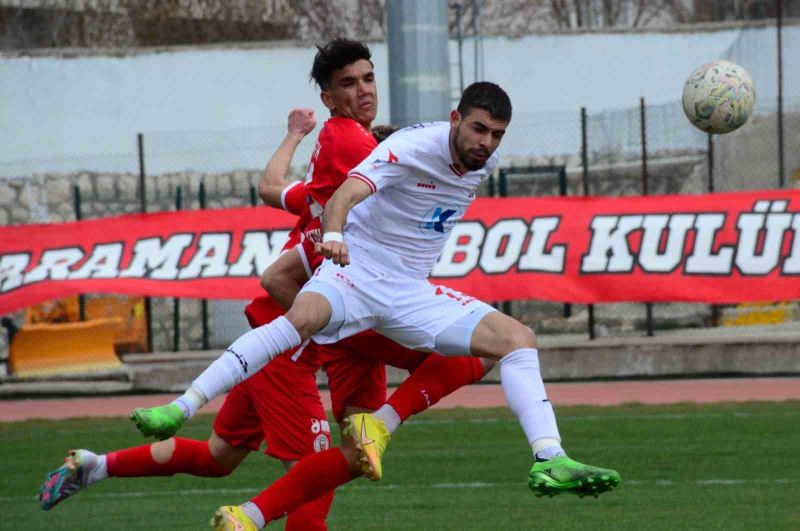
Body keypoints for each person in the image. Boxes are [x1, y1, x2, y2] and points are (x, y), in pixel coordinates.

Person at [137, 82, 621, 530]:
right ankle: (182, 406)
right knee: (300, 322)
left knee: (516, 340)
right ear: (454, 118)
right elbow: (339, 200)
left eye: (496, 135)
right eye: (479, 129)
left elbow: (294, 193)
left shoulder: (482, 160)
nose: (487, 143)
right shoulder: (406, 149)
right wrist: (333, 236)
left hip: (408, 293)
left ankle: (549, 457)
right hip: (355, 275)